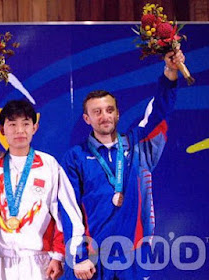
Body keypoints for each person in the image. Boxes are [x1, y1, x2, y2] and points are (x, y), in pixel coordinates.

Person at [60, 50, 186, 280]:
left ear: (118, 114)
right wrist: (78, 257)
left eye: (109, 110)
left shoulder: (138, 146)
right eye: (96, 112)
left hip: (135, 256)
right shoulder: (75, 157)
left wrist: (170, 72)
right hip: (94, 260)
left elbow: (158, 113)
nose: (104, 116)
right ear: (87, 118)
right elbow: (69, 210)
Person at [0, 92, 96, 280]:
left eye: (26, 124)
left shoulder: (49, 165)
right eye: (12, 124)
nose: (19, 130)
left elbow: (67, 211)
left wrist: (59, 256)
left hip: (38, 262)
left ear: (35, 127)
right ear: (2, 129)